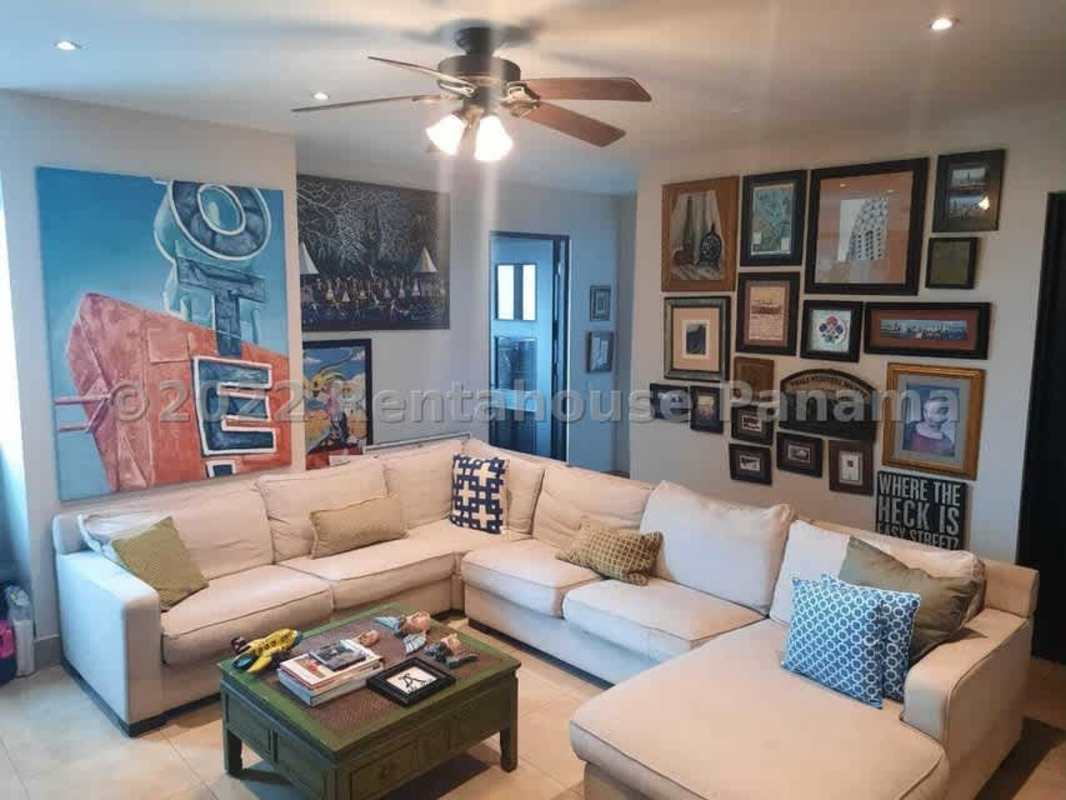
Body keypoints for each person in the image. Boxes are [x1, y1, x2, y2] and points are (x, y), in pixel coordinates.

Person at [902, 390, 956, 457]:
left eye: (935, 412)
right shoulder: (910, 427)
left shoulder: (947, 442)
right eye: (925, 411)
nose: (928, 416)